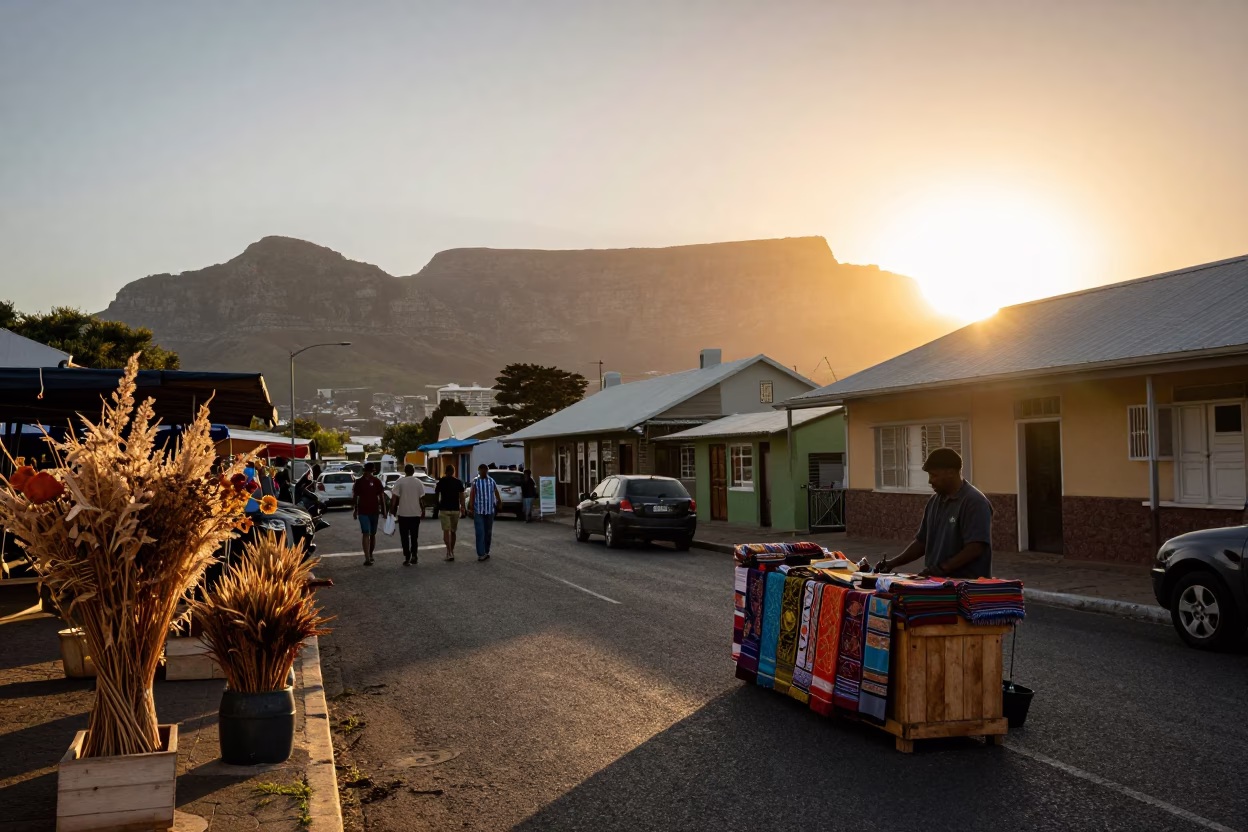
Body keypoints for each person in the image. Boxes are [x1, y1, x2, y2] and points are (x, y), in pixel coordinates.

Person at [875, 448, 993, 579]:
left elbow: (976, 547)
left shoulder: (974, 502)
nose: (930, 481)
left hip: (966, 587)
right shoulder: (935, 501)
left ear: (951, 473)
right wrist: (892, 563)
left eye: (934, 475)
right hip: (937, 584)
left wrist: (943, 568)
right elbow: (922, 543)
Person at [352, 462, 389, 566]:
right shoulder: (359, 482)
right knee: (366, 533)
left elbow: (381, 497)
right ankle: (367, 558)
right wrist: (355, 510)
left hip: (374, 511)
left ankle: (370, 554)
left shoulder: (376, 481)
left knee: (372, 534)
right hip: (363, 511)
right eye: (368, 471)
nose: (369, 473)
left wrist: (384, 511)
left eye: (370, 472)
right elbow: (355, 497)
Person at [390, 464, 427, 566]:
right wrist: (423, 510)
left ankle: (407, 556)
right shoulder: (418, 483)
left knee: (404, 536)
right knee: (414, 536)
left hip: (403, 514)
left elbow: (394, 498)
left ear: (405, 471)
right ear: (413, 471)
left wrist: (392, 511)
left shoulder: (399, 482)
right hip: (415, 514)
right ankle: (414, 554)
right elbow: (422, 499)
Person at [467, 463, 503, 561]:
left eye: (485, 470)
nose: (484, 472)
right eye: (482, 470)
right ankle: (481, 553)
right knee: (480, 532)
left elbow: (496, 492)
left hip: (490, 511)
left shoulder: (491, 481)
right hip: (479, 510)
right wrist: (471, 508)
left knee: (488, 532)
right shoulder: (475, 482)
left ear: (487, 470)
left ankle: (486, 551)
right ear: (479, 471)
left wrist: (500, 502)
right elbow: (472, 495)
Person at [434, 465, 467, 561]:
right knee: (453, 531)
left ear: (445, 471)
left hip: (444, 509)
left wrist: (437, 505)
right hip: (455, 510)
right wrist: (463, 507)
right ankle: (451, 551)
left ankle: (449, 552)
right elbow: (461, 496)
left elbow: (436, 494)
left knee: (446, 531)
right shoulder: (458, 482)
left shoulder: (441, 482)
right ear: (453, 471)